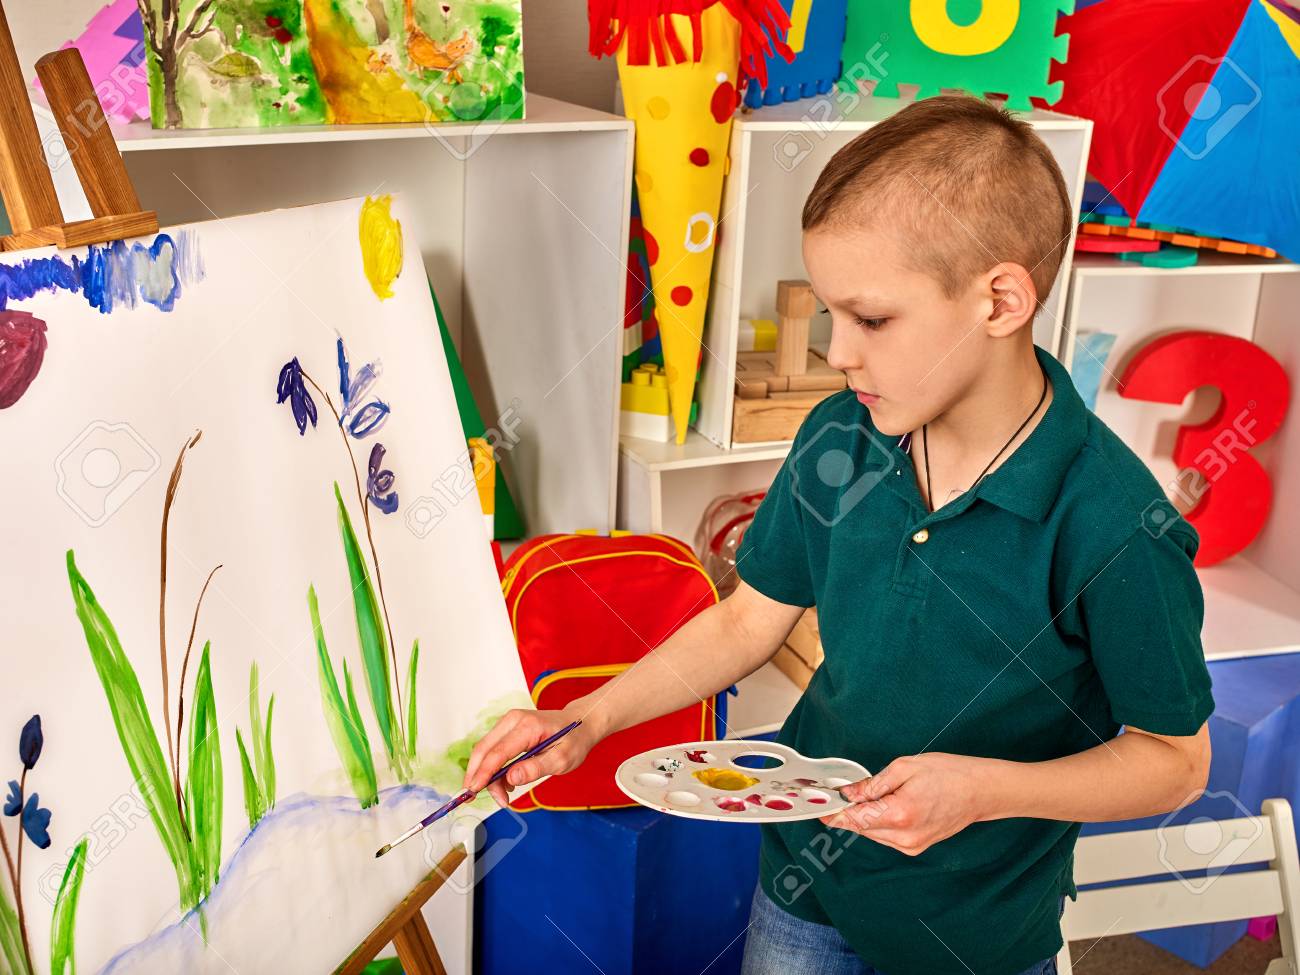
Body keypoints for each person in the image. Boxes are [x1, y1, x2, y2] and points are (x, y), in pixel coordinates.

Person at [465, 94, 1213, 975]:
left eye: (872, 319)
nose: (838, 351)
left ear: (1002, 299)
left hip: (977, 933)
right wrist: (586, 719)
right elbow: (749, 621)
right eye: (830, 315)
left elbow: (1173, 760)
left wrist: (979, 789)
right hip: (807, 885)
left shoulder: (1114, 522)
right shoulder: (840, 438)